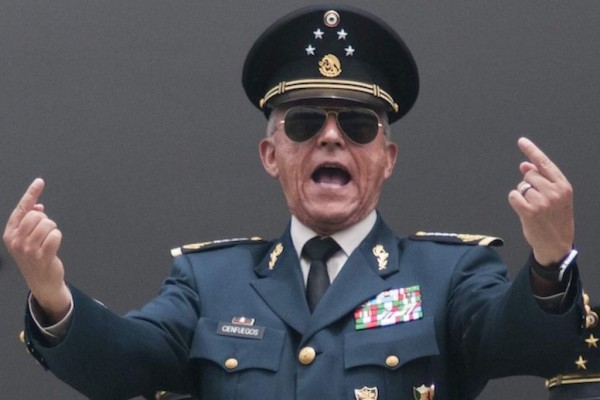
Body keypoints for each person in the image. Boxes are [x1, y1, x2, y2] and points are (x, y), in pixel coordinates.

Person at [3, 5, 586, 400]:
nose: (331, 138)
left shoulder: (450, 275)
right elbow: (122, 366)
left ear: (387, 158)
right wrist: (54, 297)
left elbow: (526, 344)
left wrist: (549, 260)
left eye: (358, 125)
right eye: (305, 123)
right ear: (270, 155)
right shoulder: (210, 283)